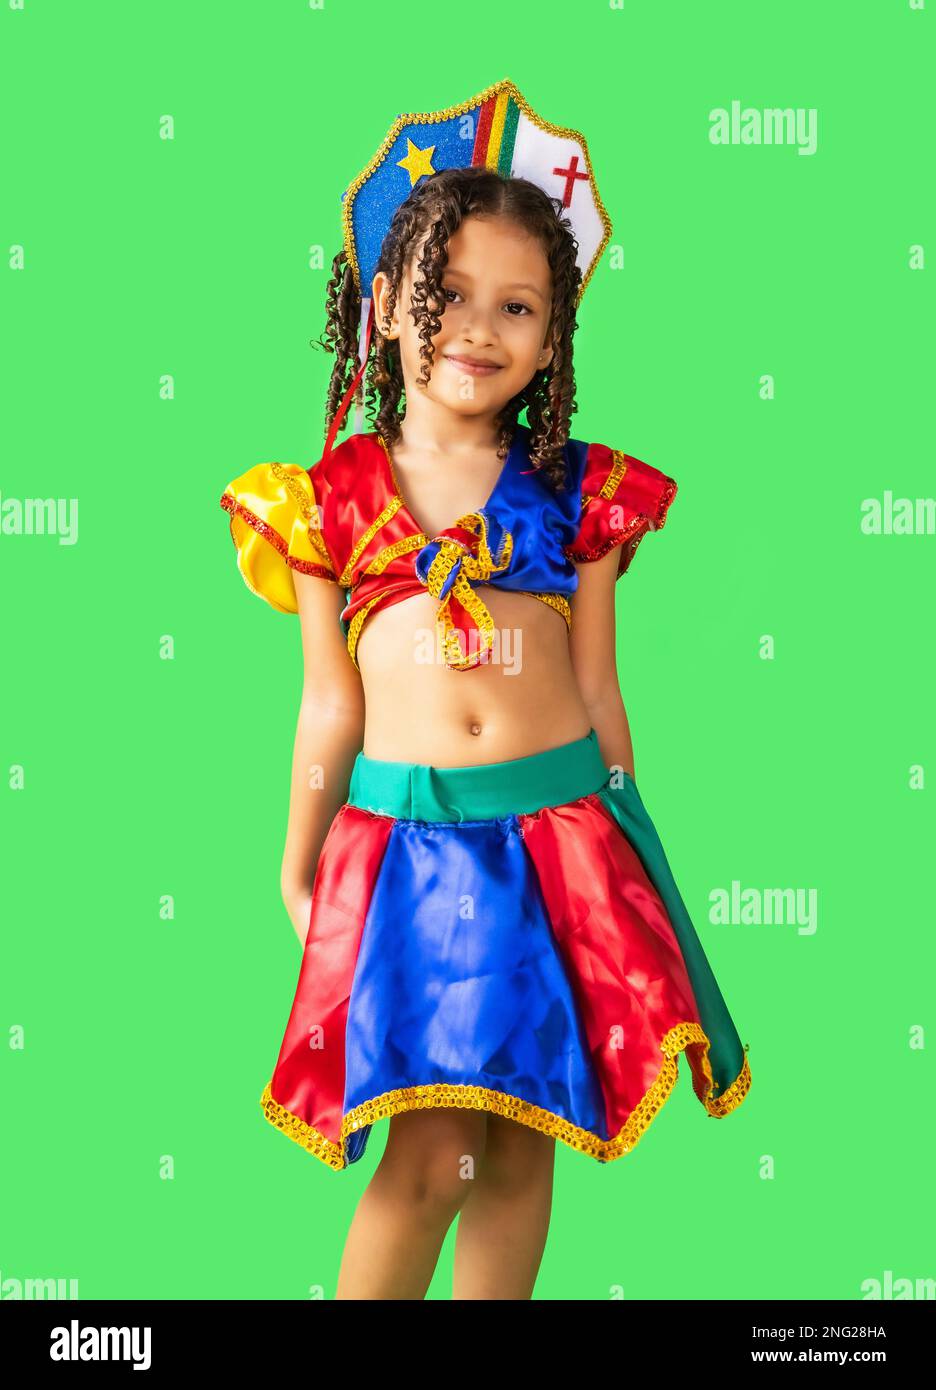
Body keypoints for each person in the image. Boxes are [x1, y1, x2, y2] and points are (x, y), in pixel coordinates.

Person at [219, 80, 751, 1301]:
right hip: (411, 853)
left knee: (519, 1148)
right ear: (383, 306)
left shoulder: (584, 494)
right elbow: (330, 707)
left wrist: (631, 851)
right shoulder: (327, 500)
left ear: (555, 337)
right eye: (445, 296)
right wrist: (300, 865)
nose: (477, 327)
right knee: (429, 1158)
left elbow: (600, 688)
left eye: (518, 306)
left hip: (566, 840)